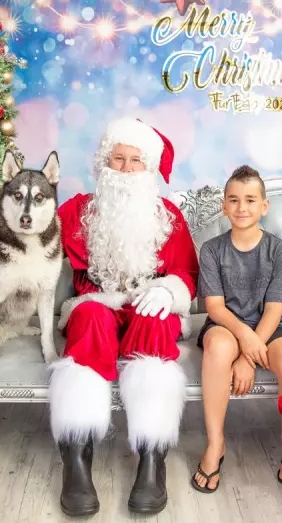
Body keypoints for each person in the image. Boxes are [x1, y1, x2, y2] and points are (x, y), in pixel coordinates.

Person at [49, 118, 199, 516]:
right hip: (97, 302)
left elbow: (186, 273)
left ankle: (153, 460)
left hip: (148, 302)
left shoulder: (168, 216)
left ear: (149, 169)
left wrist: (168, 291)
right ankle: (76, 458)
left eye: (136, 161)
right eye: (118, 159)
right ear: (104, 164)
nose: (127, 169)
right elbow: (36, 238)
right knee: (90, 319)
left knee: (155, 325)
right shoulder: (78, 211)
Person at [192, 166, 282, 493]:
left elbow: (274, 309)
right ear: (224, 206)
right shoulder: (212, 250)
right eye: (234, 200)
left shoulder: (279, 251)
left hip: (271, 328)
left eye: (250, 200)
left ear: (263, 207)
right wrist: (243, 341)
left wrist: (248, 359)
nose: (242, 208)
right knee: (218, 348)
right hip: (225, 325)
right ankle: (215, 444)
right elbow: (214, 307)